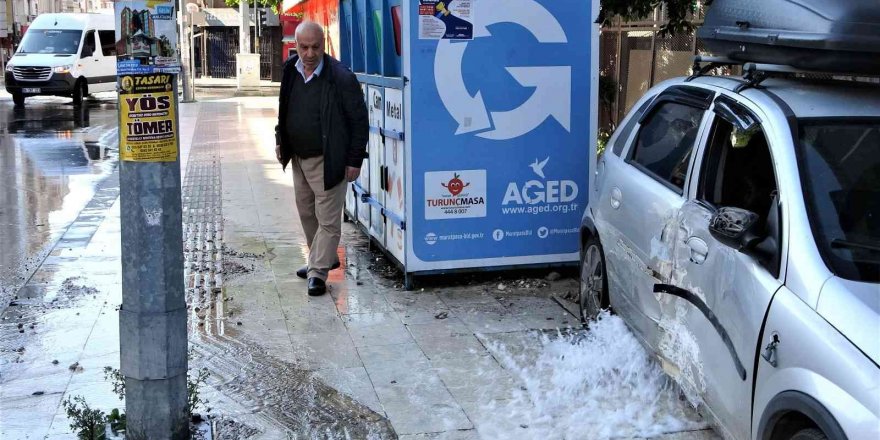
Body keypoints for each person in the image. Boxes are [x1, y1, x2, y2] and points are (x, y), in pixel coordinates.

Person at [275, 21, 368, 296]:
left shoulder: (341, 77)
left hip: (330, 158)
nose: (310, 53)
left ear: (323, 44)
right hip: (299, 157)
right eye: (304, 47)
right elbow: (284, 109)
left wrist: (354, 159)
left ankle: (317, 270)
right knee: (307, 213)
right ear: (296, 45)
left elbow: (359, 121)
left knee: (328, 219)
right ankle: (323, 256)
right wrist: (281, 140)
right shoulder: (290, 71)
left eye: (316, 47)